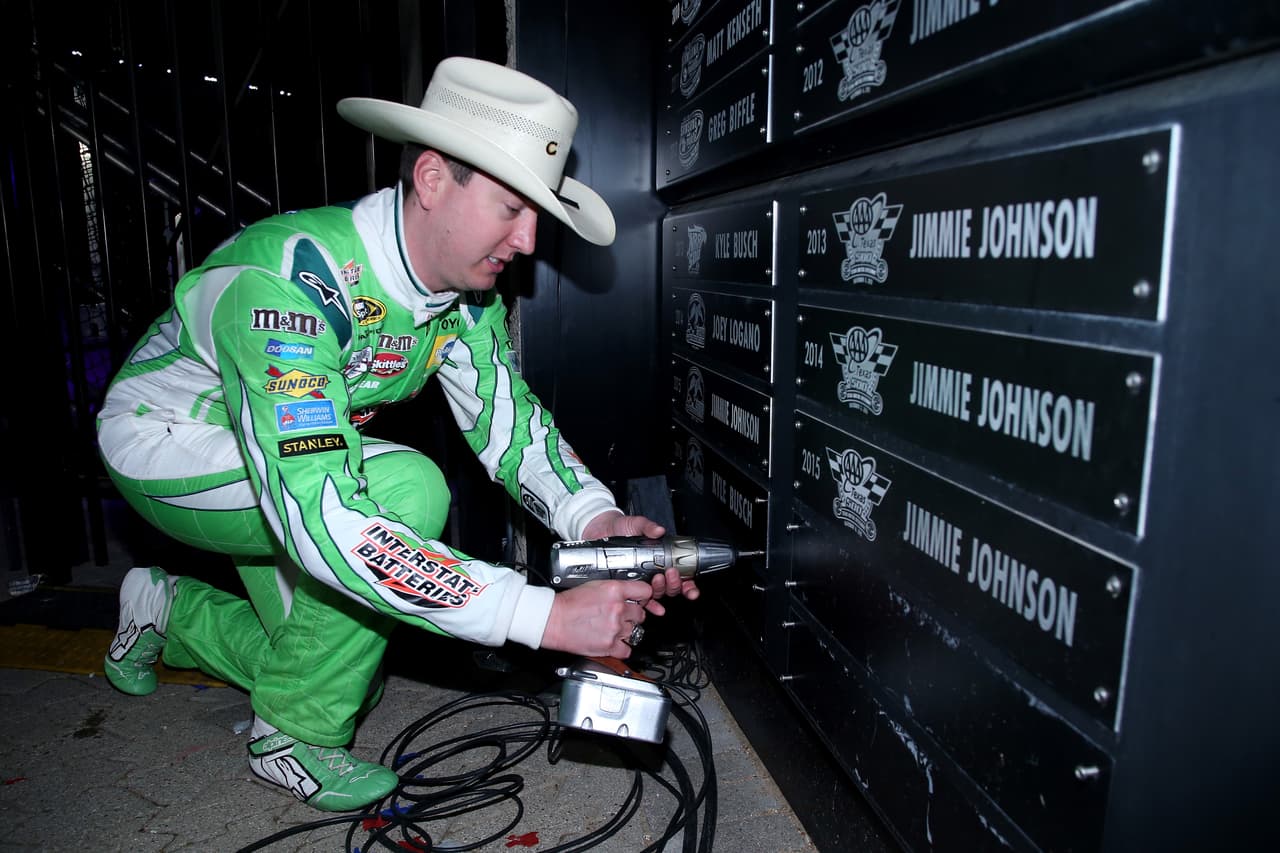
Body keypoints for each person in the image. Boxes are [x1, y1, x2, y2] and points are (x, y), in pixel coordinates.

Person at [97, 56, 698, 813]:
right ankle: (287, 736)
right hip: (168, 441)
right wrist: (543, 616)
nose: (530, 239)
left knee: (341, 662)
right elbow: (326, 518)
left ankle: (165, 610)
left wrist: (597, 519)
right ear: (434, 179)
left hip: (284, 464)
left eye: (538, 214)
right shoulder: (287, 281)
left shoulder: (459, 295)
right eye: (513, 207)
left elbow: (510, 429)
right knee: (404, 491)